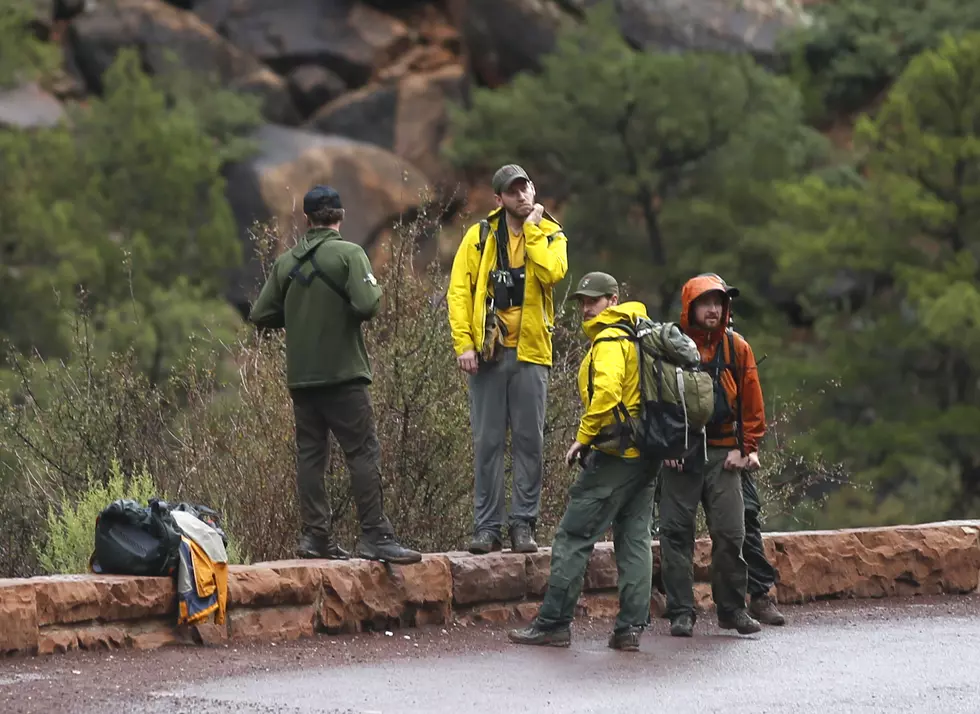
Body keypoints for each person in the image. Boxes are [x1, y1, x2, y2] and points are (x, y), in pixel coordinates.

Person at [249, 185, 421, 565]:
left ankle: (315, 537)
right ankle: (375, 535)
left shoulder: (286, 263)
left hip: (302, 380)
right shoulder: (349, 254)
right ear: (340, 217)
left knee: (311, 456)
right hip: (344, 375)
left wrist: (297, 315)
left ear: (307, 219)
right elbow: (367, 304)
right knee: (361, 451)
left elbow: (261, 315)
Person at [508, 272, 656, 651]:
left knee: (573, 535)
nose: (587, 309)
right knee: (635, 538)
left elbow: (606, 393)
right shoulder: (640, 333)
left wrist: (583, 437)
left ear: (614, 299)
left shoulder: (610, 338)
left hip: (616, 455)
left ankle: (554, 622)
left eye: (594, 300)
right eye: (583, 303)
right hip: (647, 454)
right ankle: (630, 629)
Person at [448, 164, 568, 554]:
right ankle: (487, 528)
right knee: (488, 443)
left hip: (532, 351)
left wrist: (533, 227)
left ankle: (523, 525)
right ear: (499, 199)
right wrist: (464, 344)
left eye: (526, 188)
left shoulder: (550, 233)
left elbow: (552, 273)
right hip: (488, 352)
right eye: (513, 192)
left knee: (530, 442)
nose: (522, 196)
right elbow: (459, 293)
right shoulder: (479, 236)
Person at [659, 273, 763, 637]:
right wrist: (668, 446)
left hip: (723, 454)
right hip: (680, 454)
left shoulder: (737, 348)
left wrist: (745, 448)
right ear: (691, 306)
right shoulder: (669, 346)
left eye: (719, 303)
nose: (714, 309)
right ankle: (681, 612)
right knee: (675, 533)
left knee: (731, 533)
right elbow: (655, 402)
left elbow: (752, 405)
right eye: (706, 303)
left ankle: (732, 609)